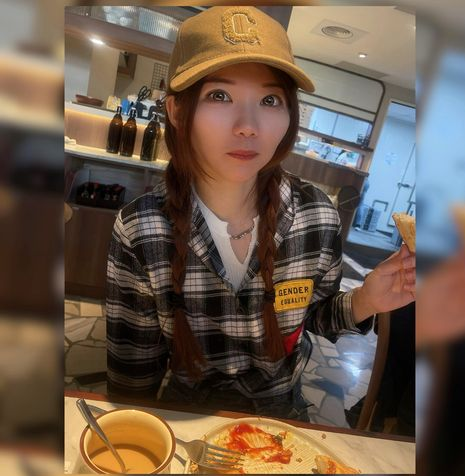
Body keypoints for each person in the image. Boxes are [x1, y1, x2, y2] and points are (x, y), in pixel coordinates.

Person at [106, 6, 415, 421]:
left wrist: (365, 300)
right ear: (177, 111)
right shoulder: (141, 229)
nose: (249, 126)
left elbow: (315, 318)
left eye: (270, 100)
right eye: (220, 95)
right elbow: (132, 378)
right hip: (183, 419)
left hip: (279, 422)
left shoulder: (316, 217)